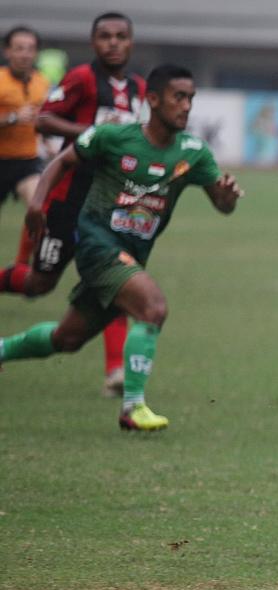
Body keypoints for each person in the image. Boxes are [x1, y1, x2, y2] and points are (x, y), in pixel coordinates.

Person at [0, 64, 243, 431]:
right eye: (179, 97)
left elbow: (223, 206)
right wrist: (36, 204)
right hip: (97, 245)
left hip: (131, 255)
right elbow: (62, 162)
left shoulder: (193, 153)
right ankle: (132, 407)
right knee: (153, 307)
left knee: (66, 338)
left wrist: (227, 199)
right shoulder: (113, 137)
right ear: (153, 100)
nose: (187, 105)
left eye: (191, 98)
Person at [0, 12, 146, 398]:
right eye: (105, 36)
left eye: (121, 36)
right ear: (93, 41)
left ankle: (116, 373)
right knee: (37, 282)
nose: (113, 43)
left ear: (131, 43)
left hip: (111, 208)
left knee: (116, 283)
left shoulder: (139, 89)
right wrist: (95, 134)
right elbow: (45, 120)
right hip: (69, 202)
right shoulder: (81, 78)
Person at [0, 26, 50, 296]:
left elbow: (43, 122)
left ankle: (21, 267)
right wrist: (11, 118)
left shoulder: (42, 83)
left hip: (26, 162)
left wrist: (51, 145)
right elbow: (18, 117)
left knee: (39, 207)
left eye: (30, 49)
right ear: (8, 51)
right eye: (18, 48)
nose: (24, 54)